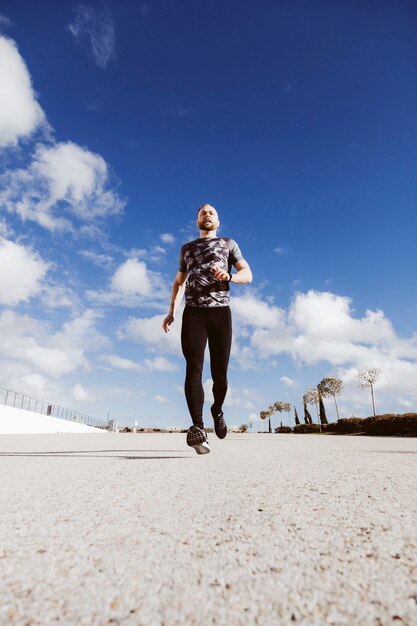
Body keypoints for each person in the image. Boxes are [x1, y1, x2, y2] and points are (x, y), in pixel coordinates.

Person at [162, 203, 253, 454]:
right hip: (194, 313)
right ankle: (198, 428)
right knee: (194, 368)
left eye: (212, 212)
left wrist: (229, 277)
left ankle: (217, 410)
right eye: (203, 212)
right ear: (197, 221)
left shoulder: (228, 243)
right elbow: (179, 282)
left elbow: (248, 273)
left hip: (220, 313)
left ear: (218, 221)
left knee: (220, 374)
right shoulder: (187, 249)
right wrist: (172, 311)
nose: (207, 214)